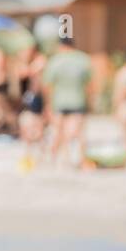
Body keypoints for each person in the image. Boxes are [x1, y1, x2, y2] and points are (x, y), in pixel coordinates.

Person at [42, 35, 93, 168]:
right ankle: (81, 160)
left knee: (59, 131)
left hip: (59, 102)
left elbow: (48, 85)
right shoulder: (83, 59)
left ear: (61, 46)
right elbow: (89, 84)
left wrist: (48, 104)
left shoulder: (55, 60)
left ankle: (62, 159)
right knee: (79, 132)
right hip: (78, 101)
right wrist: (89, 101)